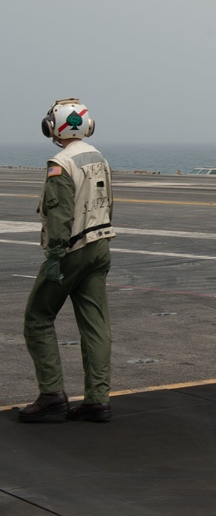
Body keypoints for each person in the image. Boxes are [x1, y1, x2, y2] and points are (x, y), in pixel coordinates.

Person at [19, 98, 116, 423]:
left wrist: (55, 257)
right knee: (95, 325)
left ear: (52, 127)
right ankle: (97, 400)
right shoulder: (97, 157)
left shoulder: (60, 163)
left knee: (38, 317)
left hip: (72, 250)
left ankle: (51, 394)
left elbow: (59, 214)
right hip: (101, 245)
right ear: (87, 125)